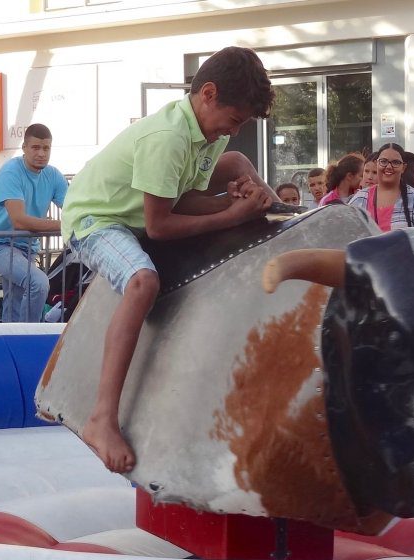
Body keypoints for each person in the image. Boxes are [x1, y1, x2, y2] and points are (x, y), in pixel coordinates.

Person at [61, 46, 276, 473]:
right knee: (143, 281)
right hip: (97, 219)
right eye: (234, 121)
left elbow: (184, 196)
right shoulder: (169, 138)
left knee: (234, 163)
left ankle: (264, 199)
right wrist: (229, 214)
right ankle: (102, 418)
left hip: (141, 212)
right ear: (208, 94)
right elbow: (159, 225)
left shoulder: (207, 136)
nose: (232, 132)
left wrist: (231, 199)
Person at [0, 123, 68, 323]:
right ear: (24, 149)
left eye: (46, 148)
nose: (41, 153)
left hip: (26, 247)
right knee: (38, 283)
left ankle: (10, 343)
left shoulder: (53, 175)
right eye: (35, 148)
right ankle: (30, 336)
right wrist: (65, 224)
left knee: (15, 302)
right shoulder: (11, 172)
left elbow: (74, 207)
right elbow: (19, 221)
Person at [349, 144, 414, 231]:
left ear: (403, 168)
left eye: (395, 162)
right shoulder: (361, 199)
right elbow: (345, 232)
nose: (389, 166)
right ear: (377, 163)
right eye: (383, 161)